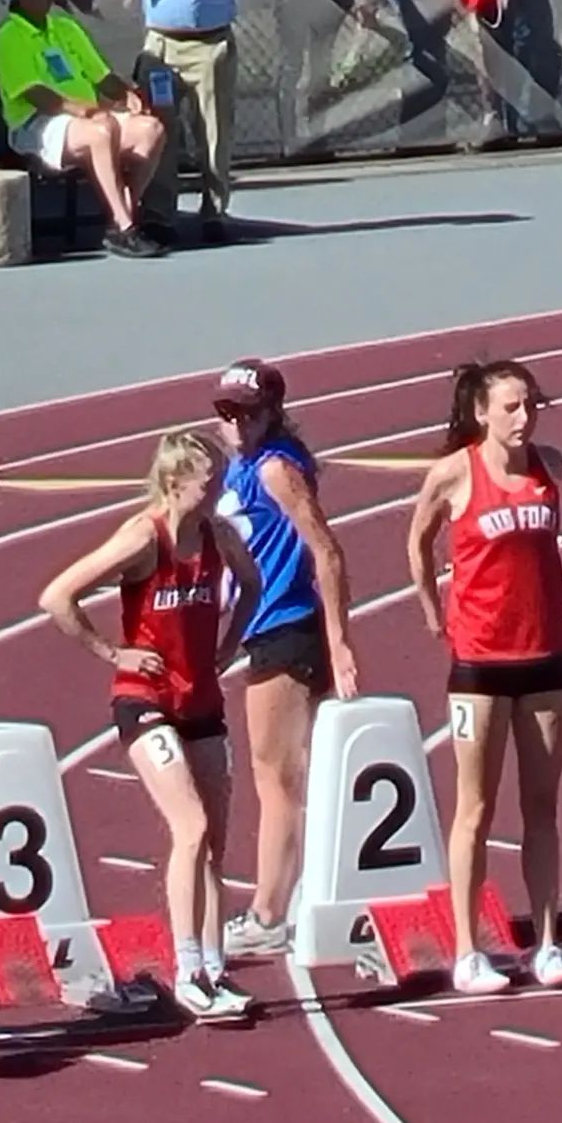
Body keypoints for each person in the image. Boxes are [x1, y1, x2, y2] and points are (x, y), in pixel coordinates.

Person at [40, 431, 260, 1018]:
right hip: (145, 700)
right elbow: (58, 596)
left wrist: (229, 644)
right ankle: (187, 967)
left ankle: (215, 967)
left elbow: (254, 585)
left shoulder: (219, 536)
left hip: (202, 700)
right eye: (206, 481)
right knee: (188, 827)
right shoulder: (145, 536)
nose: (216, 489)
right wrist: (113, 653)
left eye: (218, 479)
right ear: (173, 483)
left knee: (213, 841)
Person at [406, 360, 562, 996]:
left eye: (529, 404)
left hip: (547, 658)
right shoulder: (454, 474)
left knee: (542, 807)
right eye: (510, 406)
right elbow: (418, 539)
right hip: (479, 662)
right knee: (474, 809)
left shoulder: (550, 465)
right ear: (481, 412)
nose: (523, 416)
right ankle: (468, 948)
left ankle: (550, 942)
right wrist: (431, 607)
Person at [212, 360, 359, 958]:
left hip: (285, 628)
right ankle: (280, 902)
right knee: (278, 776)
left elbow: (326, 551)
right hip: (266, 628)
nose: (235, 423)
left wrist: (339, 640)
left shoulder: (274, 469)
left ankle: (269, 913)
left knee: (277, 780)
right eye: (225, 413)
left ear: (271, 413)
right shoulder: (245, 465)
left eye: (246, 413)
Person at [0, 0, 168, 259]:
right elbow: (38, 95)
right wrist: (85, 111)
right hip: (37, 125)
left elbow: (102, 76)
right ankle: (126, 229)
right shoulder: (8, 37)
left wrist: (127, 94)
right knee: (103, 130)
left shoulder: (66, 28)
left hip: (90, 117)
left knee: (151, 129)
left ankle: (121, 217)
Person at [123, 0, 277, 246]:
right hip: (162, 47)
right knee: (160, 131)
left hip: (210, 44)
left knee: (214, 130)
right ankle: (159, 216)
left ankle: (215, 212)